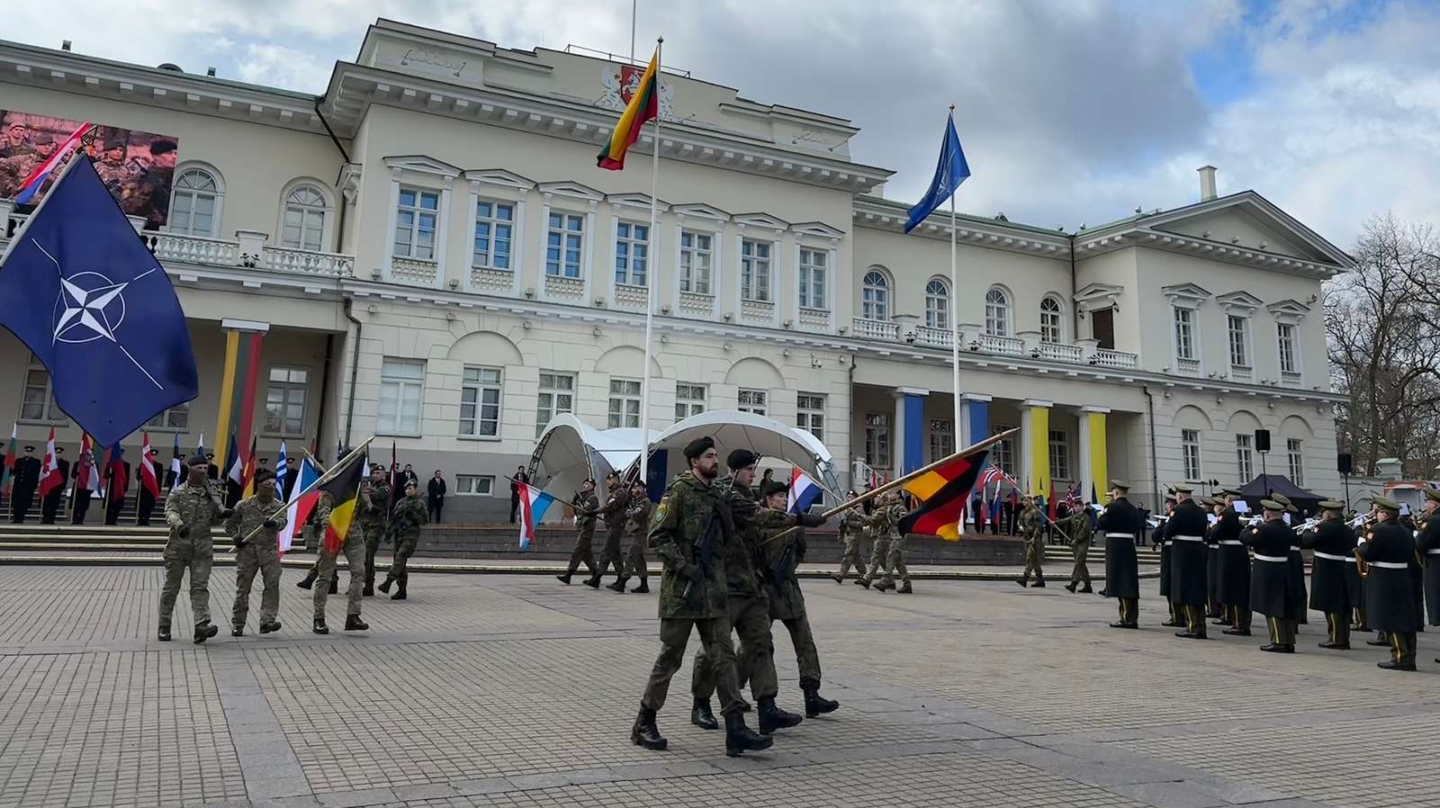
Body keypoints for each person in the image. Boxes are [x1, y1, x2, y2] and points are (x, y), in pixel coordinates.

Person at [630, 436, 771, 757]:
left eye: (715, 455)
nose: (714, 460)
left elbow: (741, 525)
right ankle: (644, 721)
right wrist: (683, 565)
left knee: (723, 658)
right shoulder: (678, 492)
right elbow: (657, 535)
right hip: (682, 592)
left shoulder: (718, 495)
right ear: (694, 461)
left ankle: (735, 728)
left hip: (714, 592)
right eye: (709, 456)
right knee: (670, 658)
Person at [690, 450, 801, 735]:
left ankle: (767, 706)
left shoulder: (746, 495)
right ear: (734, 471)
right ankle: (701, 702)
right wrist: (795, 519)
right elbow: (757, 515)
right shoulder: (723, 494)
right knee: (714, 651)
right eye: (749, 470)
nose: (754, 474)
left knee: (760, 644)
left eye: (754, 469)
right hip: (725, 587)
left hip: (751, 586)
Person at [757, 479, 836, 719]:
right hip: (765, 591)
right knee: (756, 644)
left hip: (789, 590)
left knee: (805, 643)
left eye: (784, 496)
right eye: (779, 496)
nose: (783, 499)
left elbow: (800, 552)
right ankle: (740, 690)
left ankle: (811, 694)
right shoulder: (760, 522)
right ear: (769, 499)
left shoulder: (794, 525)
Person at [159, 455, 227, 643]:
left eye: (206, 468)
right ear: (190, 470)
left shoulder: (212, 495)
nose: (203, 471)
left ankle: (201, 625)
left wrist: (224, 514)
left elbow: (214, 519)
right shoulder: (178, 493)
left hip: (202, 549)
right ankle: (164, 625)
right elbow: (170, 511)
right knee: (171, 588)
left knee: (200, 588)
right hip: (178, 548)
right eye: (199, 468)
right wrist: (179, 525)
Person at [1359, 497, 1420, 670]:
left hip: (1384, 578)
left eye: (1378, 511)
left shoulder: (1378, 530)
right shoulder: (1406, 530)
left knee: (1391, 618)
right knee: (1405, 618)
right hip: (1403, 576)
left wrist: (1362, 545)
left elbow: (1369, 553)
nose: (1376, 515)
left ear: (1384, 514)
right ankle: (1409, 656)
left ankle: (1400, 657)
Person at [226, 468, 286, 637]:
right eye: (267, 484)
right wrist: (236, 537)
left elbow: (283, 522)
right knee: (243, 589)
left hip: (269, 552)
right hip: (248, 551)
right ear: (259, 485)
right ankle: (238, 624)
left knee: (272, 586)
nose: (271, 487)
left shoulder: (279, 505)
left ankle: (267, 620)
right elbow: (229, 525)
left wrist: (274, 523)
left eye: (274, 485)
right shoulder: (244, 505)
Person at [1242, 499, 1299, 653]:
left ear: (1267, 514)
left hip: (1268, 570)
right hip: (1283, 568)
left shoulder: (1265, 529)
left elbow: (1246, 539)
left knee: (1272, 608)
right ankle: (1288, 641)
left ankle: (1279, 641)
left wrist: (1249, 527)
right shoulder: (1287, 529)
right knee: (1283, 607)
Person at [312, 489, 370, 634]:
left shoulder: (356, 484)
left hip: (354, 532)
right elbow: (323, 511)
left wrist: (364, 495)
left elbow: (365, 508)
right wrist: (331, 528)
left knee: (359, 572)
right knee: (325, 576)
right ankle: (319, 618)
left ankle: (353, 616)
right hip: (333, 532)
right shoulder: (334, 484)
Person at [1301, 500, 1356, 650]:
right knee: (1341, 605)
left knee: (1331, 605)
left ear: (1328, 513)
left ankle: (1337, 639)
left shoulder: (1324, 527)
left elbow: (1308, 542)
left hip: (1326, 569)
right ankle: (1342, 637)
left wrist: (1307, 530)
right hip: (1341, 567)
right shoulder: (1347, 529)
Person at [1164, 485, 1209, 639]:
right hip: (1199, 551)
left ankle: (1193, 626)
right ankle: (1201, 625)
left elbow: (1168, 531)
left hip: (1183, 553)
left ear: (1179, 497)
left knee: (1185, 589)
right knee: (1197, 588)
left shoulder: (1178, 511)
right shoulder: (1201, 512)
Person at [1099, 480, 1141, 628]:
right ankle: (1131, 616)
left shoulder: (1111, 507)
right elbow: (1137, 526)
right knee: (1128, 579)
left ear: (1116, 492)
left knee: (1120, 580)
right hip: (1129, 544)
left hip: (1115, 545)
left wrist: (1102, 515)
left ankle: (1126, 617)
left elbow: (1101, 524)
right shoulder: (1132, 508)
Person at [377, 479, 428, 600]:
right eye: (406, 489)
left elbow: (424, 521)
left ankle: (388, 581)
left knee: (400, 557)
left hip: (411, 536)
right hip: (399, 535)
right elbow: (394, 518)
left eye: (410, 488)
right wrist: (389, 532)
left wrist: (414, 514)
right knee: (400, 564)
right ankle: (402, 590)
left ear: (415, 489)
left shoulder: (419, 504)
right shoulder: (400, 502)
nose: (408, 491)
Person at [1214, 489, 1251, 636]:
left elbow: (1217, 532)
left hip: (1229, 553)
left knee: (1233, 589)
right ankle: (1243, 622)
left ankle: (1238, 624)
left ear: (1229, 501)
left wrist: (1211, 530)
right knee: (1241, 588)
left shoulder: (1227, 514)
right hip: (1242, 553)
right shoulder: (1246, 513)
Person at [557, 479, 600, 586]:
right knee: (586, 554)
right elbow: (575, 511)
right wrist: (574, 501)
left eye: (588, 484)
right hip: (582, 526)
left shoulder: (592, 498)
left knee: (578, 550)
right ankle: (596, 575)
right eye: (584, 483)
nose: (585, 486)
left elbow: (587, 511)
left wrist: (579, 505)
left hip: (588, 527)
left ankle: (569, 574)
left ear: (592, 486)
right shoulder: (582, 497)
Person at [359, 465, 391, 597]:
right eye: (374, 472)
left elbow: (378, 495)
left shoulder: (385, 487)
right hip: (364, 524)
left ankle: (369, 583)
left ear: (383, 475)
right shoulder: (368, 486)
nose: (375, 475)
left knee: (368, 553)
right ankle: (359, 584)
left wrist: (367, 491)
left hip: (376, 525)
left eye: (378, 473)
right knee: (361, 555)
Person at [598, 472, 631, 591]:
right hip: (612, 525)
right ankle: (620, 579)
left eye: (610, 479)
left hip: (616, 525)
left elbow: (610, 507)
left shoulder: (619, 492)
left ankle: (597, 577)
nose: (608, 482)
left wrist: (595, 511)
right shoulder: (613, 493)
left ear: (616, 479)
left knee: (607, 550)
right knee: (615, 553)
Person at [618, 480, 652, 593]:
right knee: (639, 559)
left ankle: (622, 582)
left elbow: (637, 515)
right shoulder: (635, 502)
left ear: (643, 489)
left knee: (631, 557)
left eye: (638, 488)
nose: (635, 490)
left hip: (641, 534)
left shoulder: (645, 502)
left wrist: (630, 512)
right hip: (636, 532)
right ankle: (644, 584)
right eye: (634, 488)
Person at [1417, 489, 1440, 642]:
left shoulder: (1433, 521)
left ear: (1435, 504)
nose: (1426, 505)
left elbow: (1421, 544)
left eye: (1427, 502)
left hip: (1436, 566)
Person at [831, 493, 868, 584]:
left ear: (855, 498)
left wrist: (850, 523)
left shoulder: (858, 509)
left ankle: (841, 574)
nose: (848, 499)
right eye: (847, 497)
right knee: (855, 556)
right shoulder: (848, 508)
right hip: (849, 534)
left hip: (856, 534)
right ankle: (864, 574)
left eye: (850, 497)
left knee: (848, 554)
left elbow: (863, 523)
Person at [1157, 490, 1179, 627]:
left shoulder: (1172, 517)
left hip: (1171, 551)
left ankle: (1176, 616)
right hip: (1172, 550)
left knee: (1171, 583)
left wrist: (1160, 527)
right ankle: (1177, 615)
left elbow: (1161, 533)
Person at [1063, 503, 1093, 593]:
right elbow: (1066, 520)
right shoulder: (1074, 517)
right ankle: (1088, 585)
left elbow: (1084, 532)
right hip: (1075, 544)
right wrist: (1055, 522)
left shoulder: (1086, 518)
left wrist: (1076, 540)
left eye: (1077, 506)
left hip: (1082, 544)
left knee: (1078, 562)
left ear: (1082, 507)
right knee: (1081, 564)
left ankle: (1074, 583)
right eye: (1074, 506)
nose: (1075, 508)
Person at [1017, 495, 1045, 588]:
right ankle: (1040, 580)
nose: (1024, 502)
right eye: (1023, 501)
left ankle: (1025, 578)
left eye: (1026, 500)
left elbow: (1038, 526)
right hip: (1026, 537)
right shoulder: (1022, 512)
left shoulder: (1035, 512)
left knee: (1029, 557)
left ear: (1030, 501)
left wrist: (1034, 537)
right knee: (1035, 560)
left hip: (1034, 538)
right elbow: (1020, 522)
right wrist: (1020, 526)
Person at [10, 445, 40, 523]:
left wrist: (34, 486)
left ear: (32, 452)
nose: (28, 453)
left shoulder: (36, 462)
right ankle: (15, 517)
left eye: (30, 451)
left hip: (28, 486)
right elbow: (14, 471)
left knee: (24, 503)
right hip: (18, 485)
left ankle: (21, 517)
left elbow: (36, 474)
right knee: (16, 502)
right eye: (27, 451)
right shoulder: (19, 461)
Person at [39, 447, 70, 524]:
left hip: (57, 487)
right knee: (46, 503)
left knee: (54, 504)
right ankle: (45, 518)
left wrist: (62, 486)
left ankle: (51, 518)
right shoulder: (48, 462)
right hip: (48, 486)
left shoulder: (65, 463)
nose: (57, 454)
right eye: (56, 453)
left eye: (59, 453)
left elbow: (65, 476)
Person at [136, 447, 163, 526]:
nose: (153, 457)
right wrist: (140, 477)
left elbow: (160, 479)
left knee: (150, 505)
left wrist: (158, 490)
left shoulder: (159, 466)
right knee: (142, 505)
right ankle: (141, 519)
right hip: (144, 489)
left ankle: (147, 519)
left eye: (154, 456)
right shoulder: (144, 464)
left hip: (152, 489)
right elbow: (138, 476)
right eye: (151, 455)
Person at [104, 455, 131, 526]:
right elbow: (105, 475)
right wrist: (109, 474)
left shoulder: (126, 465)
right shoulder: (110, 464)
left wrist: (125, 488)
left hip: (120, 488)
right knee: (109, 505)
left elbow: (127, 478)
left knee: (117, 505)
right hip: (111, 488)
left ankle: (114, 519)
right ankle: (107, 519)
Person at [69, 457, 93, 525]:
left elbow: (94, 477)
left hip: (87, 487)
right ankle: (74, 519)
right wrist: (77, 473)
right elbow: (72, 475)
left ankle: (81, 519)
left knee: (84, 505)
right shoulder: (78, 464)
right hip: (78, 486)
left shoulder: (93, 465)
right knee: (75, 504)